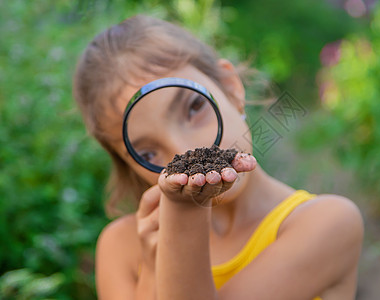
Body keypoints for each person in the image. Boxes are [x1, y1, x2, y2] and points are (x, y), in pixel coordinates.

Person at [73, 15, 364, 300]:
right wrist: (152, 271)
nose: (185, 150)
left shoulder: (328, 223)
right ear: (129, 165)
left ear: (231, 88)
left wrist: (187, 214)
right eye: (148, 152)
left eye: (194, 107)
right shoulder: (122, 248)